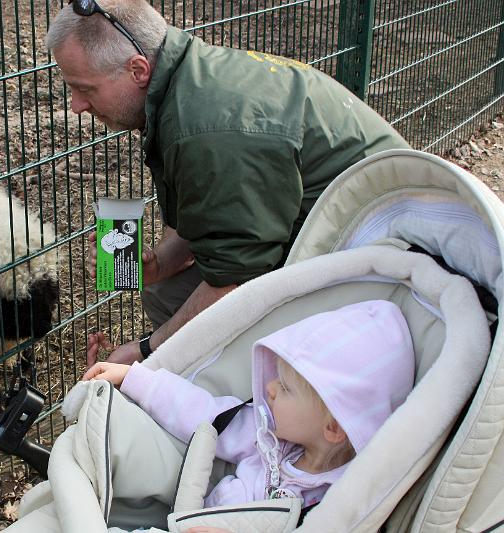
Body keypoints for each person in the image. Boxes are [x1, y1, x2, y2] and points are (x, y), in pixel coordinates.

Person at [44, 0, 411, 367]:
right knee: (165, 291)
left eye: (84, 89)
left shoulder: (206, 129)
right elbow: (217, 220)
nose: (76, 105)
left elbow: (236, 277)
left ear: (138, 70)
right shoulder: (188, 81)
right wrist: (154, 266)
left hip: (386, 261)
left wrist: (149, 353)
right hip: (318, 230)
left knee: (188, 331)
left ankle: (236, 397)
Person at [82, 300, 415, 514]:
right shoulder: (268, 439)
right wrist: (135, 379)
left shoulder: (339, 502)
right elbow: (202, 412)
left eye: (284, 388)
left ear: (333, 427)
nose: (268, 389)